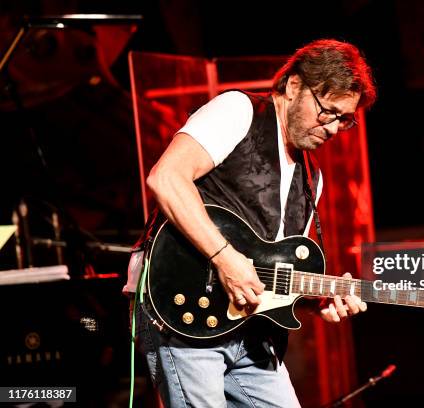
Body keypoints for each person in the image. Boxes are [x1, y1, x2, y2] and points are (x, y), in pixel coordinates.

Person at [125, 38, 377, 407]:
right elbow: (166, 178)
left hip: (252, 332)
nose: (335, 128)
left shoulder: (312, 178)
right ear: (294, 86)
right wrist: (226, 260)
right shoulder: (237, 110)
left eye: (346, 119)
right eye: (328, 112)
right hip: (183, 310)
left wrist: (318, 297)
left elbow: (266, 271)